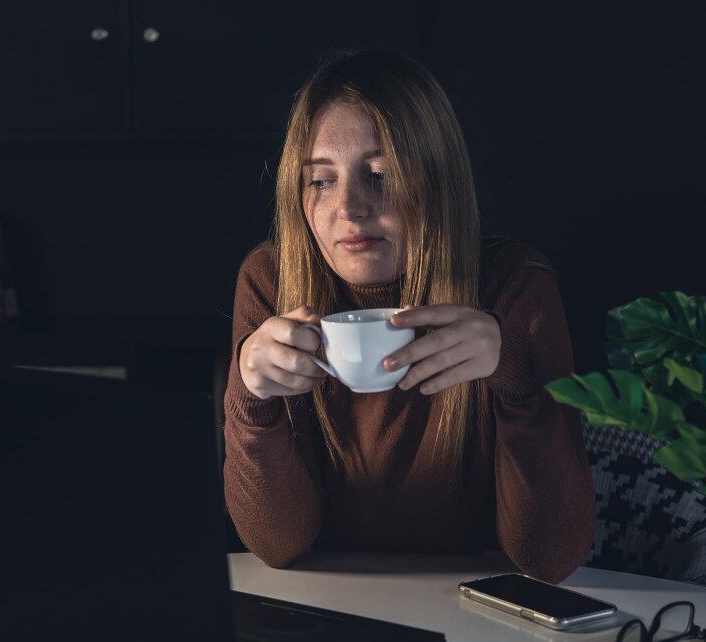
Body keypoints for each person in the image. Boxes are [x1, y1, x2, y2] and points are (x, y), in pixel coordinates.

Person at [222, 48, 595, 584]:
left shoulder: (514, 286)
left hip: (477, 604)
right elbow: (279, 545)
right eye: (321, 180)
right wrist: (252, 400)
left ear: (436, 180)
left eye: (380, 174)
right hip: (333, 598)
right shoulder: (272, 281)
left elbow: (549, 556)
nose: (349, 208)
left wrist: (515, 376)